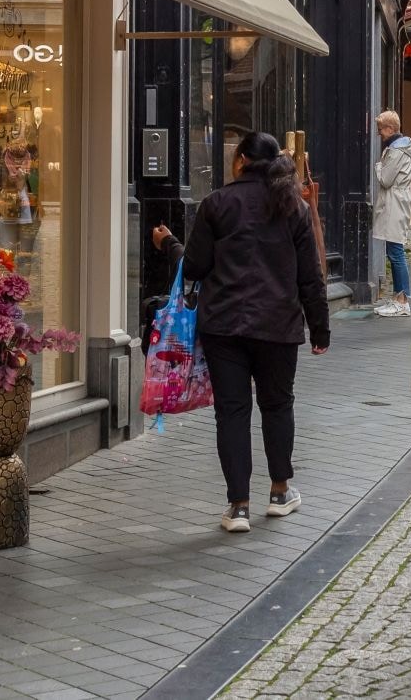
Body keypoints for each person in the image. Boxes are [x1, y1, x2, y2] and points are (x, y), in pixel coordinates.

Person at [152, 132, 328, 533]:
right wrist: (320, 329)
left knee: (231, 412)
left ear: (242, 160)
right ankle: (281, 491)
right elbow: (310, 278)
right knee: (277, 405)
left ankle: (238, 506)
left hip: (224, 326)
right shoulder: (294, 208)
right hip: (278, 326)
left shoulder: (218, 203)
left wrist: (169, 245)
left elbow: (195, 266)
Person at [372, 111, 411, 317]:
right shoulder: (403, 148)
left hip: (395, 204)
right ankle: (399, 297)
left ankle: (402, 300)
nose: (379, 133)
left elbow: (385, 179)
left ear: (390, 129)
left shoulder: (395, 151)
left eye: (381, 129)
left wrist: (378, 165)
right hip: (398, 202)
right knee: (394, 250)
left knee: (396, 252)